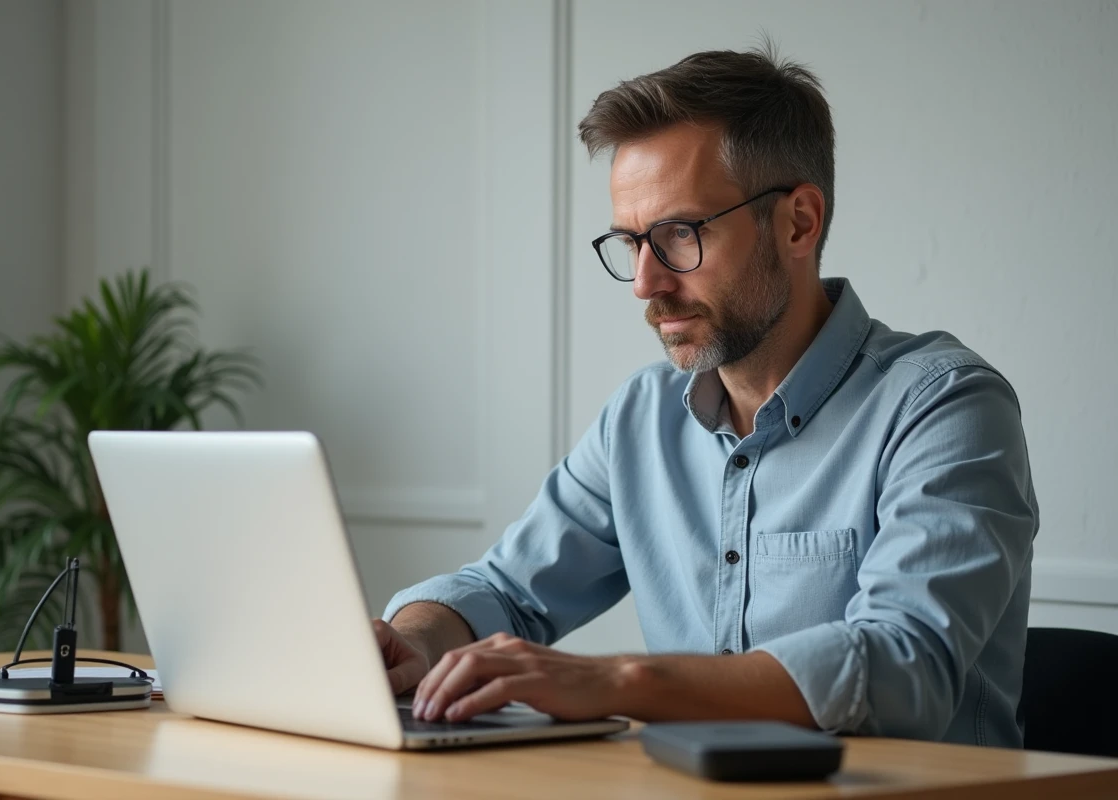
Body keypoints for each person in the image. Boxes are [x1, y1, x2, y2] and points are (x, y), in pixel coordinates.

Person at [373, 44, 1038, 747]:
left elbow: (905, 668)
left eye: (679, 235)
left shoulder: (946, 405)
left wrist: (618, 682)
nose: (646, 283)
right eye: (631, 244)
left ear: (798, 223)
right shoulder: (642, 418)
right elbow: (505, 591)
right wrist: (414, 641)